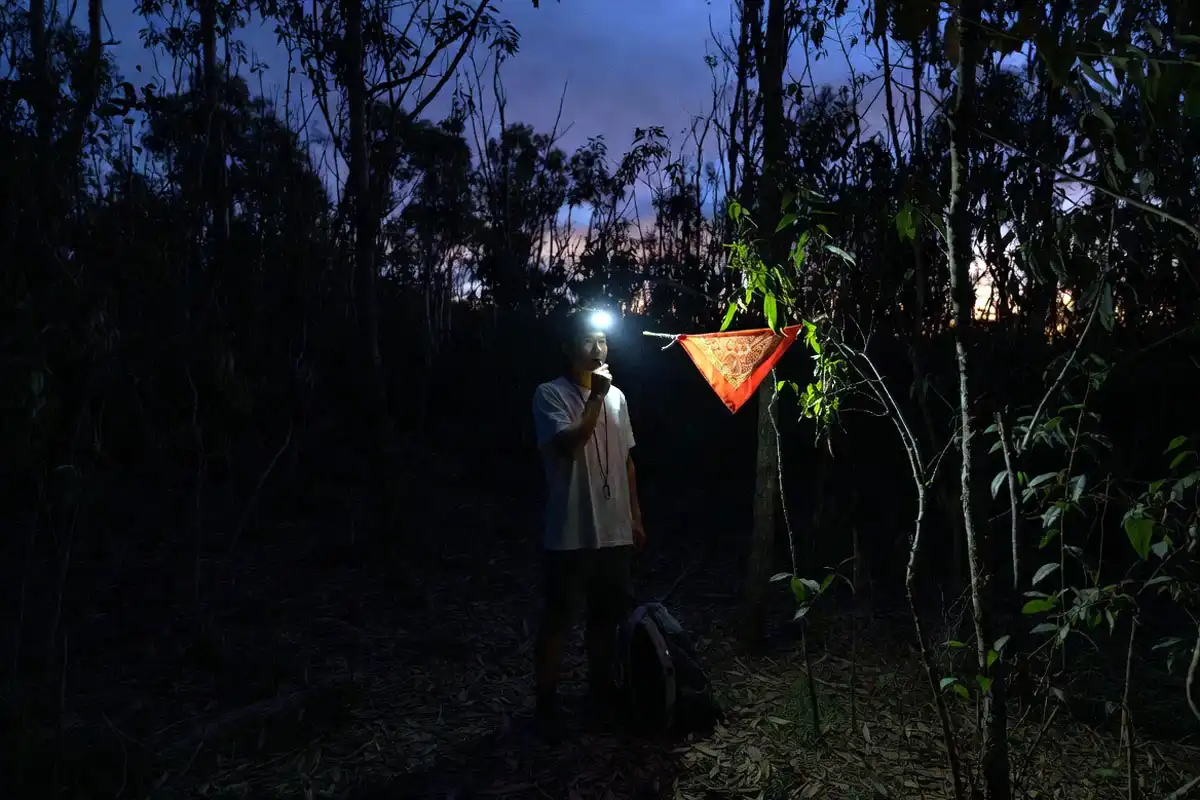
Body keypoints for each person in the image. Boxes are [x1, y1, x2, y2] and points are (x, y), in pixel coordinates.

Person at [530, 311, 646, 741]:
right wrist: (595, 398)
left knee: (606, 614)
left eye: (603, 342)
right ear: (567, 348)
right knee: (560, 615)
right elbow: (568, 445)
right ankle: (546, 698)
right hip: (570, 530)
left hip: (613, 528)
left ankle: (599, 690)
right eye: (588, 341)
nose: (598, 350)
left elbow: (628, 461)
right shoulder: (549, 395)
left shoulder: (619, 398)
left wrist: (635, 516)